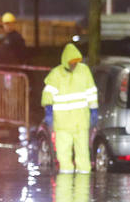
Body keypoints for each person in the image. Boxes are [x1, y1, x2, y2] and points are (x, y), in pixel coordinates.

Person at [41, 42, 98, 173]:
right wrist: (48, 111)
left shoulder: (84, 71)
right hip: (64, 124)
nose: (74, 65)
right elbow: (47, 95)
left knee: (83, 154)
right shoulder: (56, 74)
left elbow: (91, 92)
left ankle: (82, 187)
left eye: (76, 62)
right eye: (72, 62)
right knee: (63, 155)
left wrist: (94, 110)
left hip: (79, 122)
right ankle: (66, 185)